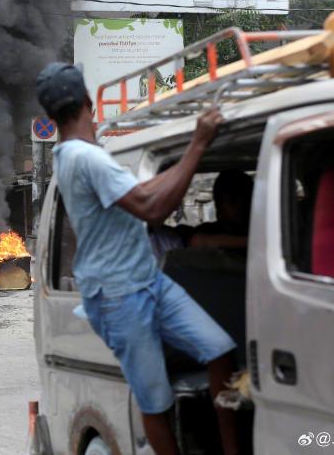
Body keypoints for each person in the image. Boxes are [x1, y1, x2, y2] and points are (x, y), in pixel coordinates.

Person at [36, 63, 239, 455]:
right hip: (119, 298)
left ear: (50, 116)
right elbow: (151, 208)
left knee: (219, 349)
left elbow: (141, 193)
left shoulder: (75, 155)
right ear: (89, 103)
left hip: (148, 280)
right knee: (156, 402)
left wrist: (181, 161)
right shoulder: (86, 158)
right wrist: (198, 143)